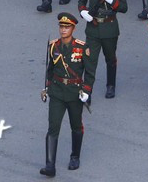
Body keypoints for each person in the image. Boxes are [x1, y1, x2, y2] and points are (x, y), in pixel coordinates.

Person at [39, 12, 94, 178]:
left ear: (73, 28)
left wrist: (86, 91)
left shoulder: (82, 48)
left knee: (76, 126)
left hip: (74, 92)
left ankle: (75, 156)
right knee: (53, 127)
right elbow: (50, 70)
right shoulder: (53, 46)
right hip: (57, 92)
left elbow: (90, 73)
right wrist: (47, 88)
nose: (63, 30)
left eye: (67, 27)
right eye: (61, 27)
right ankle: (50, 165)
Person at [77, 0, 127, 99]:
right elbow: (81, 1)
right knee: (89, 60)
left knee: (110, 59)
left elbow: (124, 8)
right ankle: (87, 91)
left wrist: (113, 1)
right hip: (93, 28)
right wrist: (83, 12)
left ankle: (110, 85)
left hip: (109, 27)